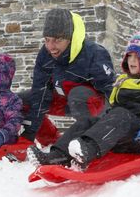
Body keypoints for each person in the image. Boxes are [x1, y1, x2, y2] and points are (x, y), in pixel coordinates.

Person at [27, 30, 140, 171]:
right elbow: (112, 108)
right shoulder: (122, 80)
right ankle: (55, 156)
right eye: (129, 56)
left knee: (121, 115)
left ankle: (86, 150)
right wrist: (97, 123)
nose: (132, 61)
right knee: (87, 121)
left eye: (138, 57)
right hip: (116, 133)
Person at [19, 8, 117, 146]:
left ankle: (87, 142)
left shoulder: (94, 53)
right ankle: (51, 142)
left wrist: (108, 131)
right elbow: (40, 92)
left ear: (70, 38)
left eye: (57, 40)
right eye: (47, 40)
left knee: (78, 94)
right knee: (20, 101)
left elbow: (110, 94)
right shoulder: (45, 54)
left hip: (90, 104)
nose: (50, 46)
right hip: (62, 100)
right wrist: (30, 131)